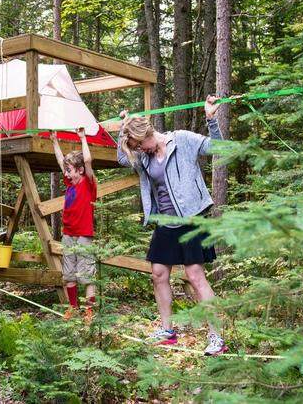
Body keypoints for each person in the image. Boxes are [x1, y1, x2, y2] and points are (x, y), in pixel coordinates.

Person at [114, 95, 228, 356]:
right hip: (165, 222)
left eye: (138, 144)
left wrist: (211, 119)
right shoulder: (143, 157)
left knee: (195, 275)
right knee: (158, 273)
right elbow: (122, 159)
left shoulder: (182, 140)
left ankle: (216, 337)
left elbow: (218, 148)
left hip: (191, 218)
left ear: (146, 135)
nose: (139, 150)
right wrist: (123, 128)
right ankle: (168, 331)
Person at [50, 128, 98, 323]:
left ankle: (89, 312)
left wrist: (83, 138)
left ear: (79, 170)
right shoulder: (69, 183)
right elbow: (61, 161)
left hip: (84, 234)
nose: (66, 173)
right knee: (69, 275)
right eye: (66, 170)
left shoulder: (88, 183)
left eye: (69, 170)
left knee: (86, 275)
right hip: (68, 234)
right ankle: (73, 308)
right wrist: (54, 141)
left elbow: (87, 161)